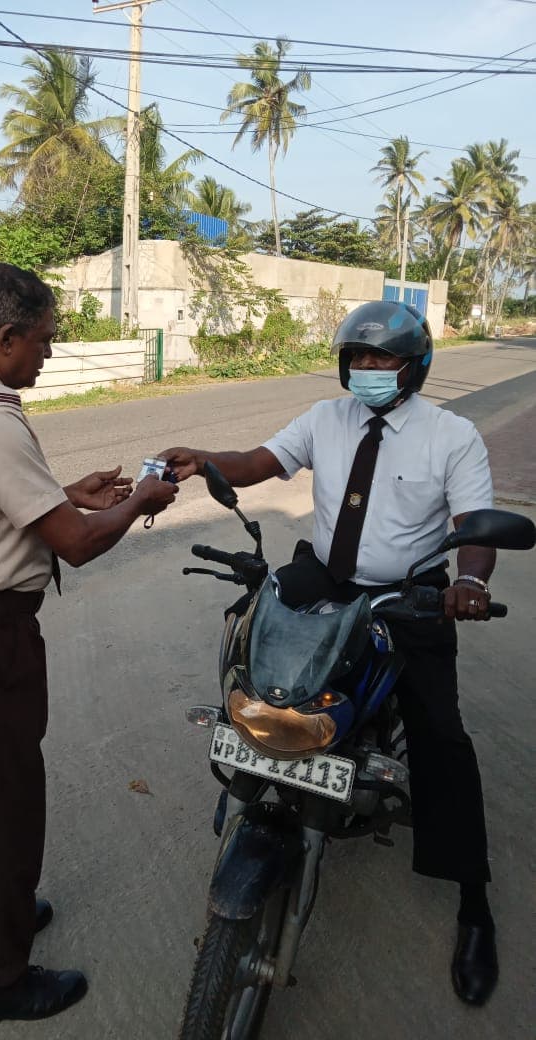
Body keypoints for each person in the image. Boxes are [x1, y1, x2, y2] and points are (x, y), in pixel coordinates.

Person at [161, 300, 499, 1007]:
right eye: (359, 359)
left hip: (409, 591)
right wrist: (205, 460)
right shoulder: (325, 418)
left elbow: (473, 523)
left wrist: (467, 580)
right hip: (324, 574)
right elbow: (260, 461)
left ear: (416, 365)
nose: (369, 371)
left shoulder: (453, 436)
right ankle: (258, 787)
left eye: (385, 360)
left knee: (440, 737)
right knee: (255, 660)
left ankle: (473, 903)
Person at [0, 261, 177, 1027]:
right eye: (45, 341)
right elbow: (78, 546)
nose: (49, 355)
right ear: (6, 336)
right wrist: (141, 501)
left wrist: (68, 494)